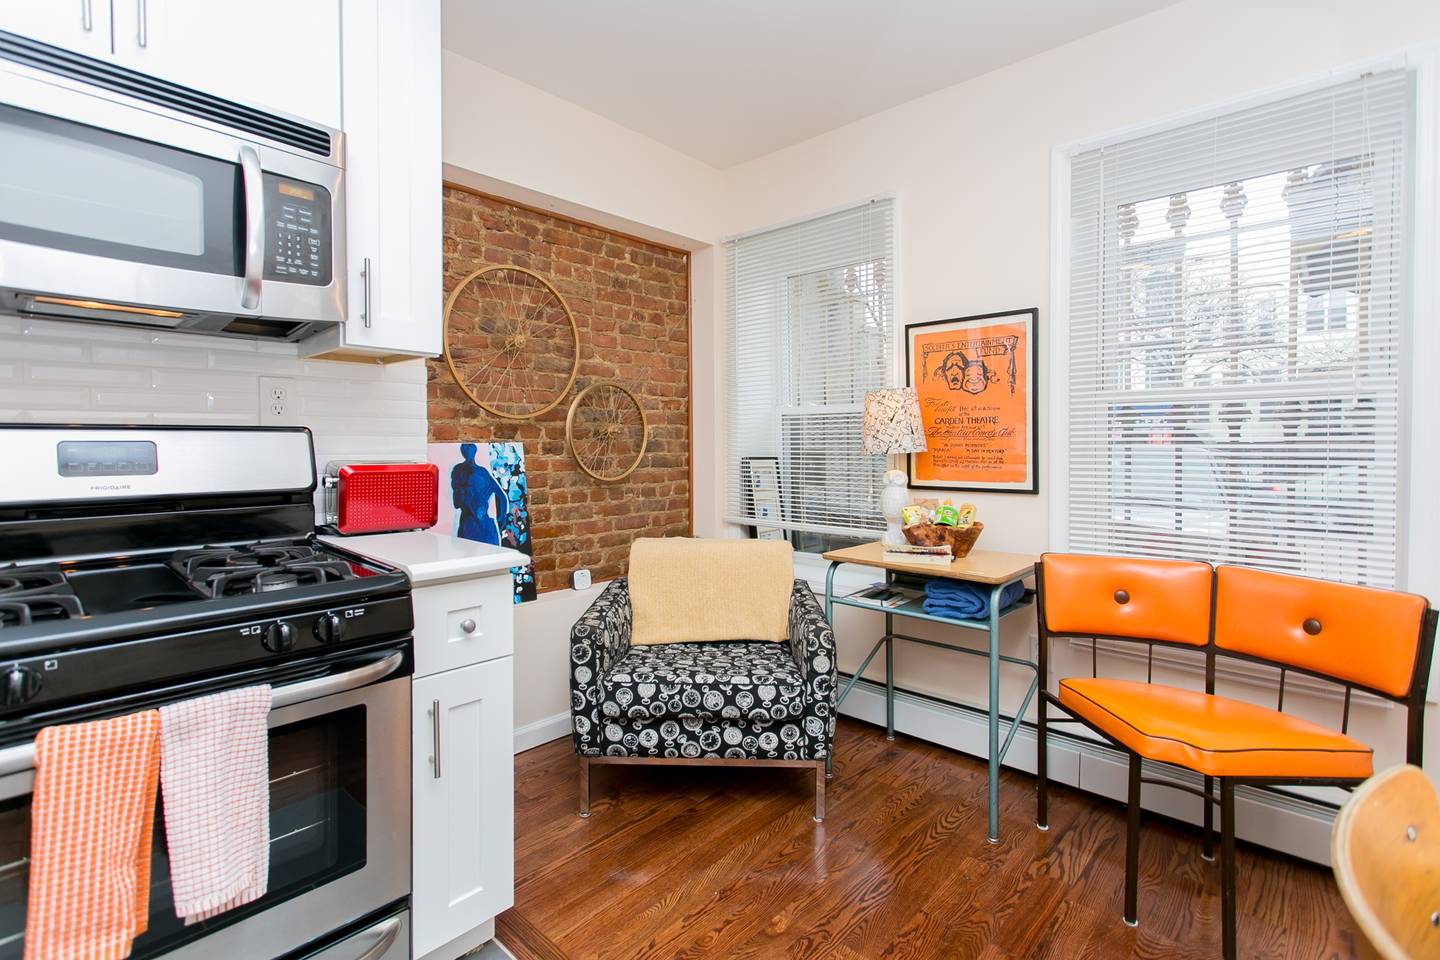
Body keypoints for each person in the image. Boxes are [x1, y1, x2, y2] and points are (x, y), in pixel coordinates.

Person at [451, 442, 507, 545]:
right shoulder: (481, 472)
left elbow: (456, 503)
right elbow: (502, 496)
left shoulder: (458, 471)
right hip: (482, 526)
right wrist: (502, 518)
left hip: (469, 526)